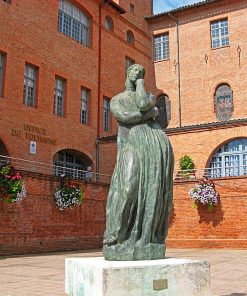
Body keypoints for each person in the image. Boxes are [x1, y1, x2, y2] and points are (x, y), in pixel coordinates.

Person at [103, 64, 174, 260]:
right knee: (128, 188)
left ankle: (145, 237)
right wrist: (149, 115)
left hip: (155, 145)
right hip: (132, 144)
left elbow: (143, 104)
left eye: (142, 72)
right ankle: (116, 235)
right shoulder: (117, 99)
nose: (139, 73)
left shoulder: (149, 97)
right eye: (135, 71)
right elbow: (124, 117)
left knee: (153, 191)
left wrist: (141, 84)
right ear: (127, 73)